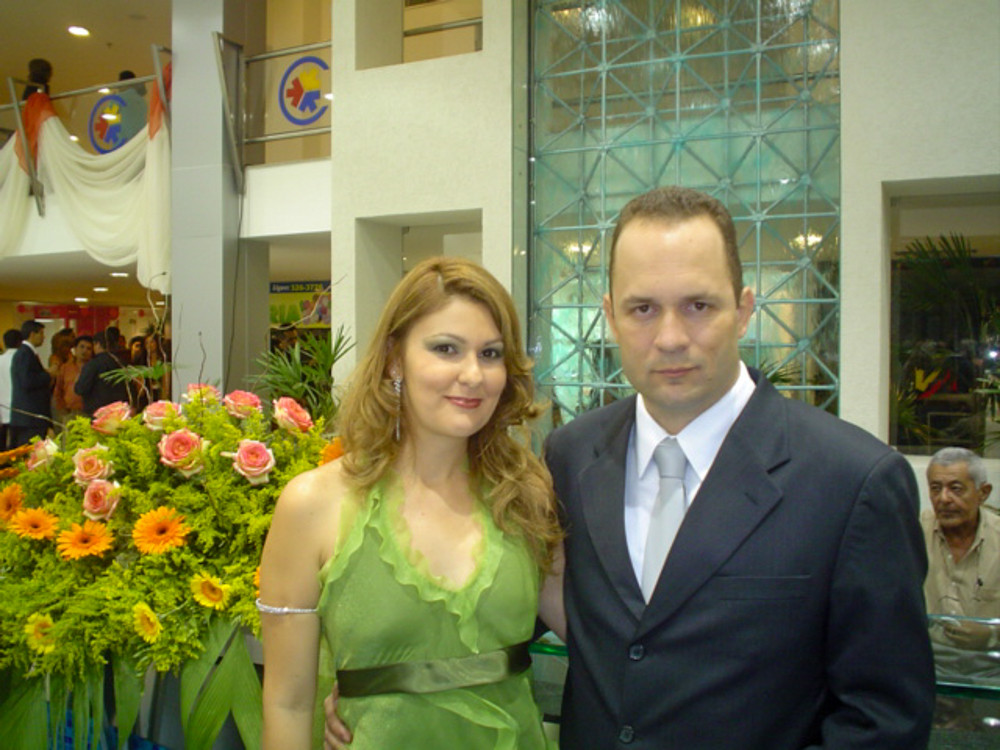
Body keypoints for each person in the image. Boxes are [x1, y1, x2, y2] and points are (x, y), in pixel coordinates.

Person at [541, 186, 934, 748]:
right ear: (610, 316)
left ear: (744, 310)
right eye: (642, 308)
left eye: (698, 306)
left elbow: (884, 721)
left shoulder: (854, 481)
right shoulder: (569, 455)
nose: (671, 338)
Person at [260, 256, 563, 750]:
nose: (473, 374)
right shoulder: (313, 504)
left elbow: (597, 636)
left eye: (490, 354)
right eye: (446, 349)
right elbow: (287, 704)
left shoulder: (525, 493)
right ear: (394, 359)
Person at [922, 447, 1000, 652]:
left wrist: (992, 634)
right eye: (935, 488)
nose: (943, 498)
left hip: (990, 666)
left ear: (983, 493)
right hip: (926, 664)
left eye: (955, 489)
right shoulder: (913, 534)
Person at [9, 320, 52, 447]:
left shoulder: (27, 353)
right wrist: (48, 375)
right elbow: (27, 381)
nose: (43, 337)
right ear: (32, 334)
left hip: (31, 417)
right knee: (30, 451)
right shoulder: (25, 353)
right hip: (29, 416)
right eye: (41, 333)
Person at [74, 331, 130, 417]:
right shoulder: (122, 363)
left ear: (97, 344)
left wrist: (77, 381)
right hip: (119, 412)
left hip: (97, 413)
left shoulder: (92, 364)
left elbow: (81, 389)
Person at [53, 335, 93, 423]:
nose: (84, 351)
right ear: (75, 349)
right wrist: (62, 409)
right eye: (82, 347)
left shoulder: (94, 369)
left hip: (89, 414)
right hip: (70, 413)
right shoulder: (65, 368)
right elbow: (58, 390)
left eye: (88, 348)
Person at [0, 329, 24, 450]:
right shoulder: (22, 360)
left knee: (3, 446)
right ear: (20, 342)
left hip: (2, 408)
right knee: (18, 447)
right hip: (20, 409)